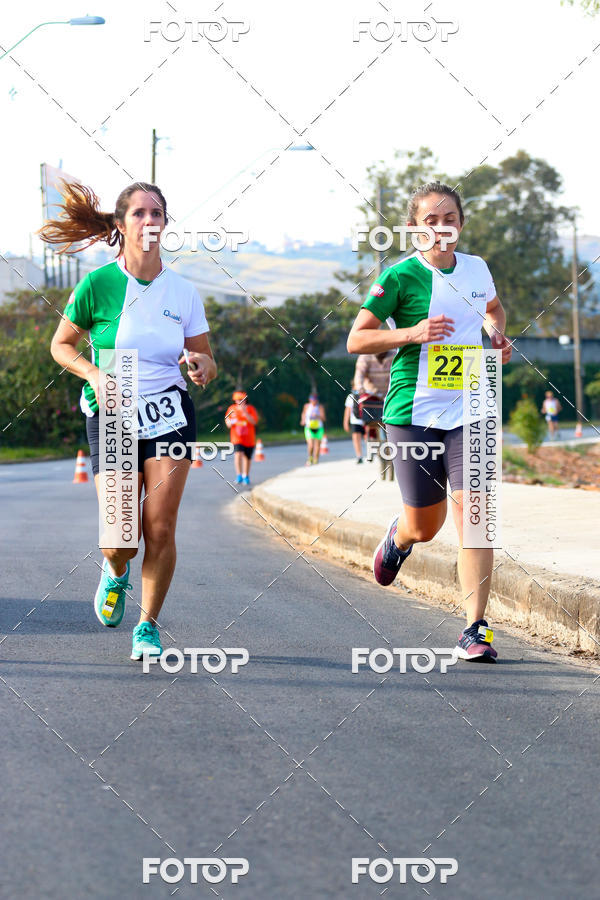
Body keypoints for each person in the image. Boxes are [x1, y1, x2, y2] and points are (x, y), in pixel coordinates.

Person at [43, 180, 217, 660]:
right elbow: (61, 345)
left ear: (165, 225)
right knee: (121, 534)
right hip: (114, 407)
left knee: (160, 527)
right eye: (138, 213)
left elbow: (204, 356)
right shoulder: (98, 284)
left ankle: (148, 626)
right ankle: (115, 571)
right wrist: (94, 373)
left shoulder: (182, 292)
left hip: (168, 412)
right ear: (121, 226)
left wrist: (202, 366)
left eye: (157, 213)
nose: (149, 221)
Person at [347, 181, 512, 662]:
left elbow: (493, 309)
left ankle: (475, 629)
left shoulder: (478, 269)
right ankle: (399, 540)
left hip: (473, 398)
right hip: (414, 411)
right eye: (431, 221)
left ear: (461, 225)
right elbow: (357, 340)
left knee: (476, 513)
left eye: (450, 219)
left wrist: (495, 333)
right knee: (426, 525)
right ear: (415, 229)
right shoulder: (400, 278)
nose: (442, 228)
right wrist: (414, 332)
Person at [354, 350, 394, 478]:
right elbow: (359, 375)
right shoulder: (365, 357)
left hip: (390, 393)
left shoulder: (393, 355)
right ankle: (372, 441)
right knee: (367, 415)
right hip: (372, 395)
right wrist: (359, 387)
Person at [225, 390, 258, 485]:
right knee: (238, 454)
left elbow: (254, 422)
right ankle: (239, 475)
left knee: (247, 457)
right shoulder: (231, 408)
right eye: (236, 400)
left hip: (249, 438)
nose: (238, 402)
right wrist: (228, 423)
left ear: (245, 399)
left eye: (240, 400)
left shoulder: (250, 409)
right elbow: (227, 418)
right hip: (236, 438)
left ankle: (246, 476)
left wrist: (245, 412)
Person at [300, 392, 326, 465]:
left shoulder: (320, 407)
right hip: (309, 428)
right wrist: (302, 420)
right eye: (312, 399)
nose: (314, 401)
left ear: (317, 400)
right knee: (311, 445)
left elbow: (323, 418)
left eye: (315, 400)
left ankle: (316, 459)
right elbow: (303, 414)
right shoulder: (306, 406)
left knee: (317, 446)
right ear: (310, 399)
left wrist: (317, 416)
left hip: (319, 428)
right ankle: (310, 457)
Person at [343, 388, 365, 463]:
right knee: (356, 440)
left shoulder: (367, 394)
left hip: (366, 421)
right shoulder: (351, 396)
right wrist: (345, 422)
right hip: (355, 420)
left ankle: (370, 454)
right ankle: (359, 456)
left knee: (367, 439)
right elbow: (348, 410)